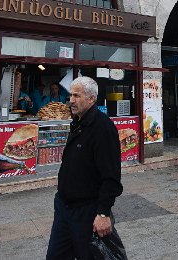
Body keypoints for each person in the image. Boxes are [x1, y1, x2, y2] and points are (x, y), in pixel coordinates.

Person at [46, 77, 122, 259]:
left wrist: (103, 213)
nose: (71, 100)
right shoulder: (77, 122)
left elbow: (111, 177)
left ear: (91, 98)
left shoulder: (103, 128)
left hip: (86, 212)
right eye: (70, 95)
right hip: (64, 207)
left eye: (77, 95)